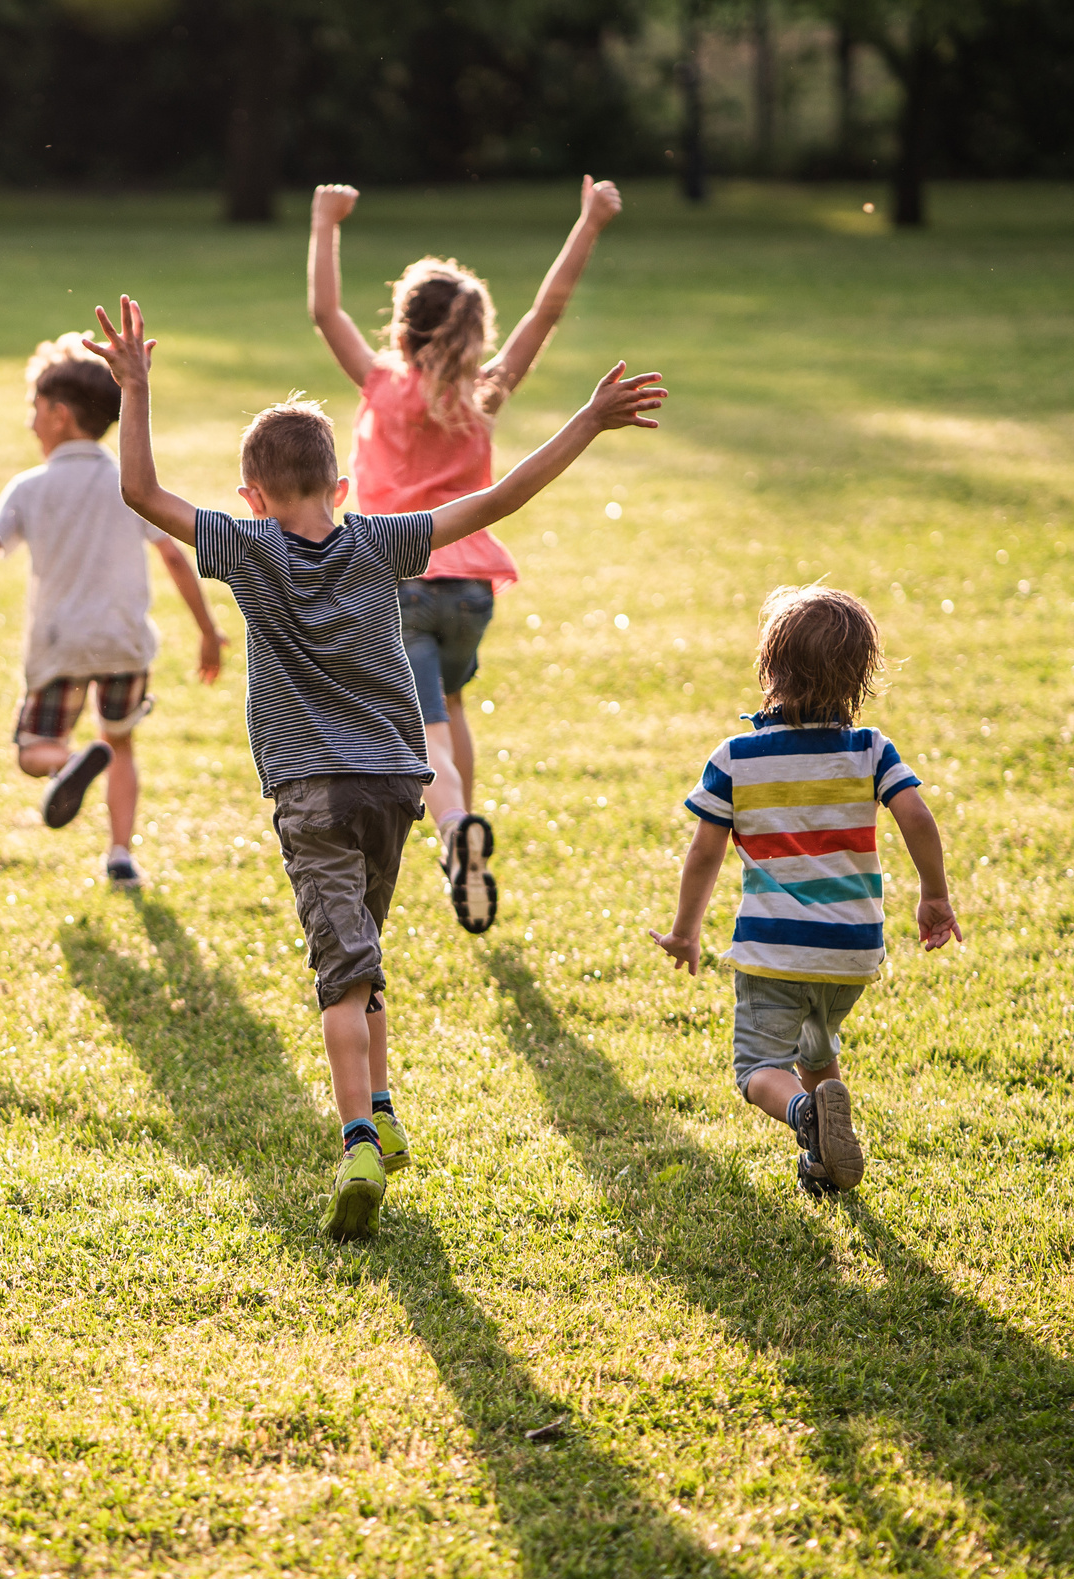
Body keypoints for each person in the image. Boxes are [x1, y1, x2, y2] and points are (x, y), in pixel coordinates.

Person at [92, 294, 662, 1239]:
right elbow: (500, 497)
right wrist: (588, 421)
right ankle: (387, 1113)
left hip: (309, 791)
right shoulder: (381, 540)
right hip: (396, 786)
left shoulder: (245, 546)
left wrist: (137, 389)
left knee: (339, 971)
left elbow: (142, 497)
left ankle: (355, 1134)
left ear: (252, 496)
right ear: (342, 483)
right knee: (364, 956)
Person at [306, 174, 624, 934]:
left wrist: (325, 222)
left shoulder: (383, 385)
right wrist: (586, 222)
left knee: (422, 735)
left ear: (404, 331)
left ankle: (454, 833)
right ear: (472, 335)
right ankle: (465, 837)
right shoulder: (484, 393)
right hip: (471, 593)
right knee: (447, 708)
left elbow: (324, 311)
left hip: (399, 584)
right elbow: (546, 313)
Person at [0, 333, 226, 889]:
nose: (30, 423)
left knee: (32, 749)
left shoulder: (29, 488)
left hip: (60, 643)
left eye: (34, 410)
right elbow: (177, 560)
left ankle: (67, 763)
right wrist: (208, 631)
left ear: (59, 415)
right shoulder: (131, 483)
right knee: (122, 743)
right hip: (124, 642)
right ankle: (120, 855)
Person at [656, 585, 961, 1197]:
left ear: (771, 668)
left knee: (759, 1068)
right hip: (850, 949)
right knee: (817, 1048)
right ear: (860, 678)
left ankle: (803, 1116)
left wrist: (686, 931)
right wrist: (934, 895)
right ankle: (825, 1159)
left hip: (775, 950)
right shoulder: (871, 749)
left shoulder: (738, 758)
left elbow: (705, 851)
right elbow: (918, 818)